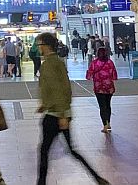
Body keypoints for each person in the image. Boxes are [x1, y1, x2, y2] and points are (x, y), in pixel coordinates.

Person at [36, 32, 110, 185]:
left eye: (39, 45)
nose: (38, 48)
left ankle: (41, 183)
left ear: (46, 46)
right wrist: (46, 104)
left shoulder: (50, 64)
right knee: (70, 150)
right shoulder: (56, 62)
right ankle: (96, 177)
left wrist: (62, 114)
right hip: (57, 112)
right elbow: (57, 88)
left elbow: (61, 88)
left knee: (45, 151)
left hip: (56, 114)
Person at [86, 47, 118, 133]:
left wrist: (91, 76)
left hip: (99, 88)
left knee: (102, 106)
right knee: (108, 105)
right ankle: (108, 123)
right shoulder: (110, 62)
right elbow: (114, 75)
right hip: (109, 88)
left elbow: (88, 76)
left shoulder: (94, 63)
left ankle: (105, 125)